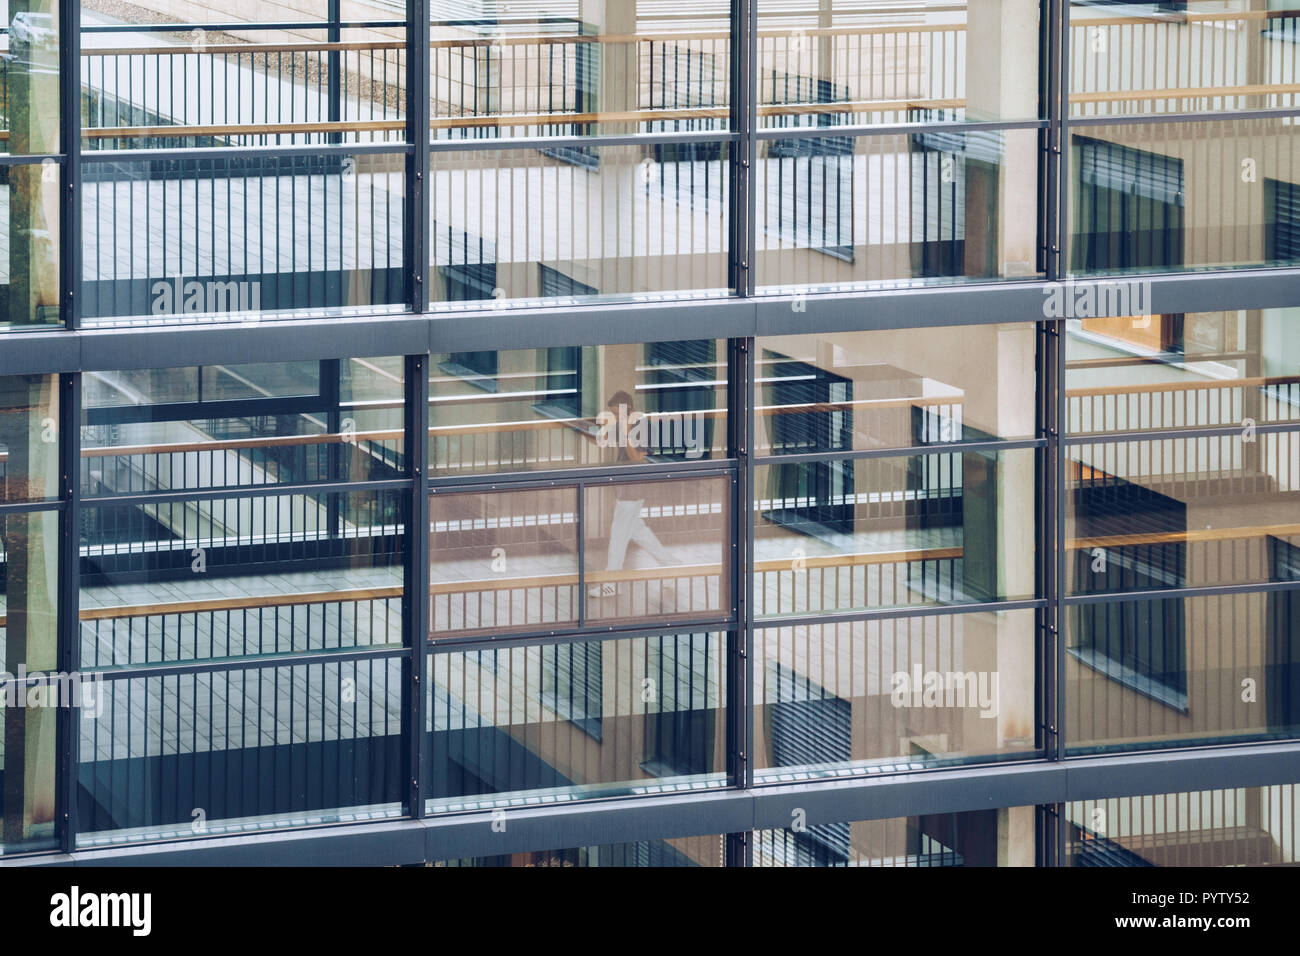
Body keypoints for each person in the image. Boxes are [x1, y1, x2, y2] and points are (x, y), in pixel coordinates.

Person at [590, 390, 674, 598]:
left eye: (617, 414)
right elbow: (602, 441)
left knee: (618, 534)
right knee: (637, 530)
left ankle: (612, 583)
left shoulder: (643, 426)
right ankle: (672, 565)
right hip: (624, 486)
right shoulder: (622, 423)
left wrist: (626, 431)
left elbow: (637, 459)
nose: (616, 419)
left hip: (634, 487)